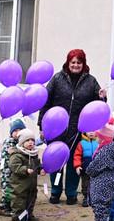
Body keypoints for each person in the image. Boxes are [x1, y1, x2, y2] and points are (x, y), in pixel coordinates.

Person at [38, 49, 106, 205]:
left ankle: (71, 193)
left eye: (79, 62)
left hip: (77, 130)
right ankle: (55, 192)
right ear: (68, 63)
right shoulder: (57, 79)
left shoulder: (91, 81)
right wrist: (42, 126)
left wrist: (103, 97)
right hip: (56, 129)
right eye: (73, 62)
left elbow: (97, 106)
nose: (76, 65)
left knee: (73, 164)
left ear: (83, 64)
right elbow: (45, 102)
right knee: (56, 163)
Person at [9, 129, 44, 221]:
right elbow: (14, 166)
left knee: (31, 200)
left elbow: (37, 165)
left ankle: (29, 215)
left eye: (32, 140)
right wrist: (25, 170)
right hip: (20, 186)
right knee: (19, 202)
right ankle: (18, 218)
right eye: (27, 140)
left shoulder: (33, 154)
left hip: (31, 185)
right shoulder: (16, 155)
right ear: (22, 142)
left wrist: (40, 169)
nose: (30, 142)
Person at [0, 119, 26, 217]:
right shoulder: (9, 142)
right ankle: (3, 207)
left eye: (20, 130)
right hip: (7, 170)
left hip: (15, 170)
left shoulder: (22, 142)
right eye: (15, 130)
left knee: (15, 188)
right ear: (11, 132)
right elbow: (11, 153)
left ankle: (12, 206)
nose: (17, 133)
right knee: (7, 188)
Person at [73, 130, 99, 208]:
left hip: (96, 169)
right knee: (85, 183)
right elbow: (77, 155)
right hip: (85, 168)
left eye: (93, 131)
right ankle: (86, 197)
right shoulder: (81, 143)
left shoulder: (98, 143)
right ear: (85, 132)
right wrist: (77, 166)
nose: (91, 133)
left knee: (95, 183)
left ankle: (94, 198)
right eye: (89, 131)